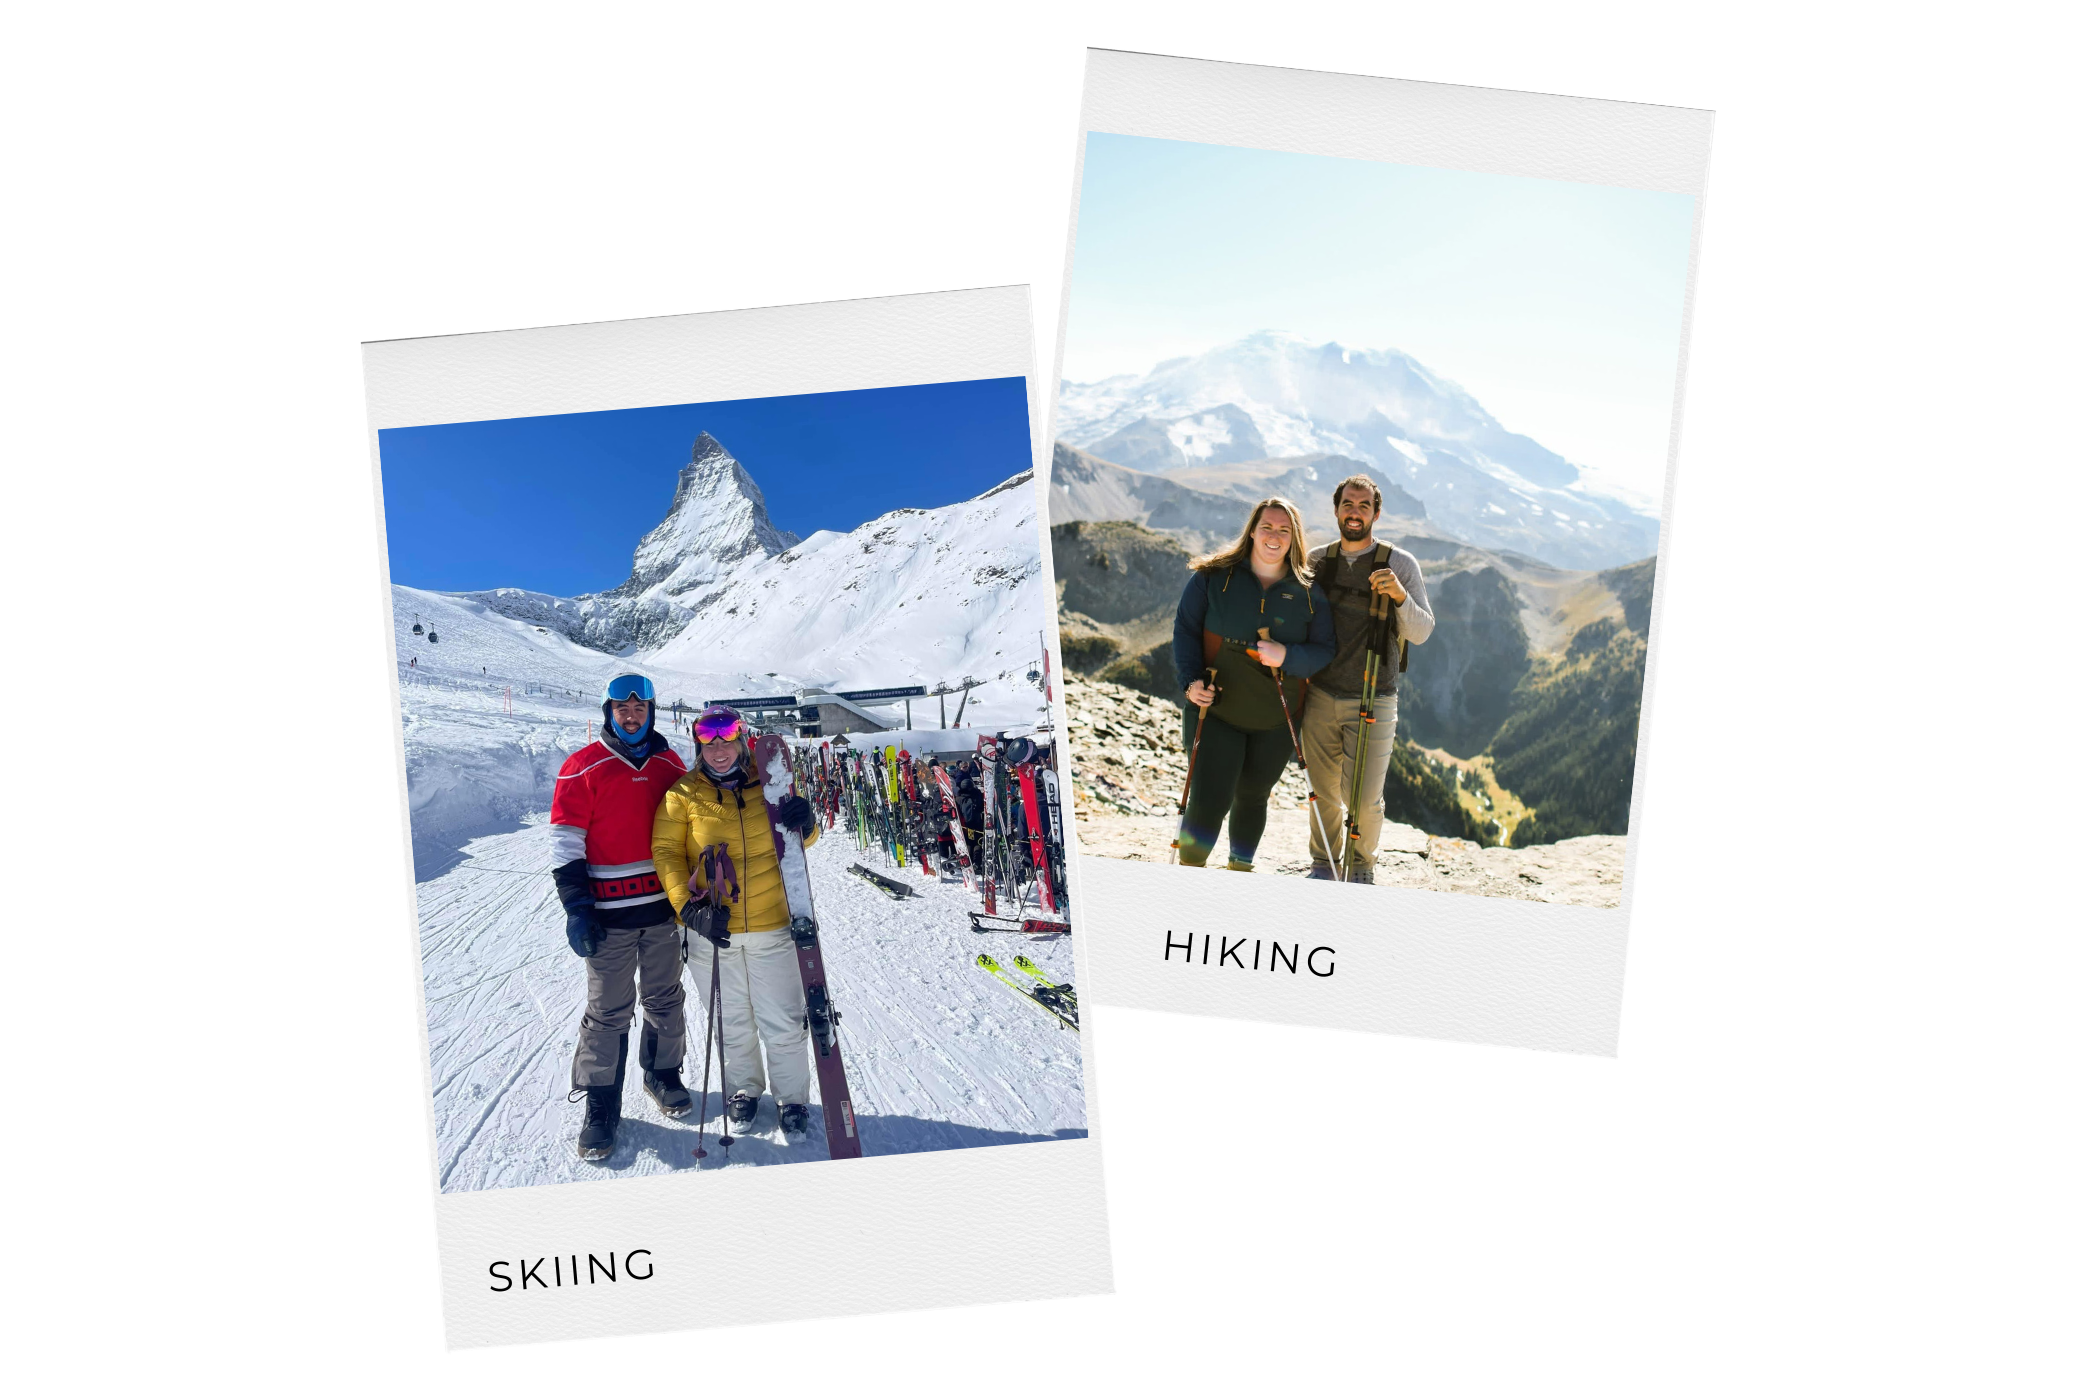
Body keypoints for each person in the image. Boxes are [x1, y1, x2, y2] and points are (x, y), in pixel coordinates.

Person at [651, 707, 819, 1141]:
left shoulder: (769, 781)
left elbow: (799, 841)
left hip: (771, 923)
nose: (719, 749)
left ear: (742, 741)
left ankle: (792, 1098)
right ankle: (743, 1089)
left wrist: (808, 821)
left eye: (727, 740)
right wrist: (686, 908)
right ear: (699, 745)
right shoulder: (682, 795)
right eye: (710, 741)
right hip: (711, 927)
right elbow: (667, 854)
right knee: (731, 1019)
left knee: (781, 1017)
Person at [551, 674, 693, 1161]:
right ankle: (601, 1103)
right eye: (621, 708)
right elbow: (566, 842)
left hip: (661, 910)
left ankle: (661, 1073)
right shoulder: (582, 766)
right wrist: (577, 908)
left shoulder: (670, 763)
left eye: (640, 708)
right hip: (608, 915)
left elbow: (695, 826)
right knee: (608, 1011)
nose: (631, 716)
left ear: (652, 711)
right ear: (609, 712)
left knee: (665, 997)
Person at [1171, 497, 1336, 869]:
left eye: (1284, 529)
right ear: (1252, 531)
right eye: (1267, 527)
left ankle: (1239, 872)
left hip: (1277, 720)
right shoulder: (1214, 577)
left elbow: (1325, 649)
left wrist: (1288, 657)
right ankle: (1188, 879)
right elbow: (1185, 630)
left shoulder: (1309, 593)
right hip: (1215, 712)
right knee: (1209, 799)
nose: (1274, 536)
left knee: (1253, 796)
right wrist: (1190, 683)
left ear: (1294, 538)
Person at [1300, 475, 1437, 883]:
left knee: (1364, 798)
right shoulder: (1317, 562)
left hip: (1376, 696)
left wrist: (1399, 596)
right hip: (1320, 694)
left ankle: (1361, 865)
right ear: (1336, 509)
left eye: (1363, 505)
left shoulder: (1400, 563)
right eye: (1348, 504)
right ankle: (1324, 862)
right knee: (1322, 791)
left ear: (1376, 513)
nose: (1354, 512)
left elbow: (1422, 631)